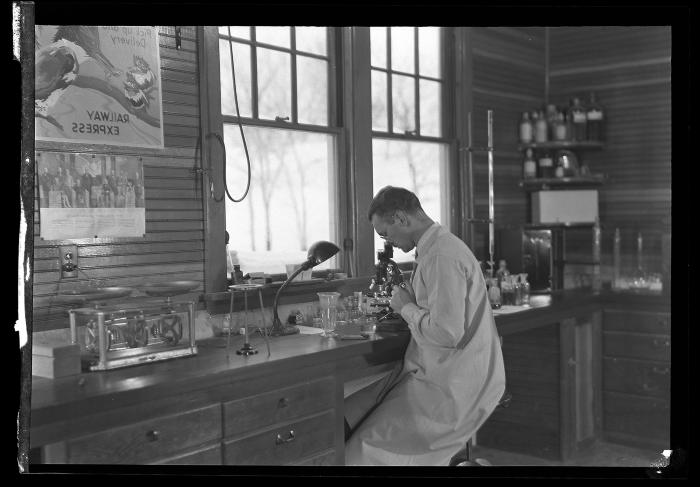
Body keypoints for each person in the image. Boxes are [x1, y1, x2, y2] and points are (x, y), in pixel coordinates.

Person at [344, 185, 506, 466]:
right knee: (348, 414)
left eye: (385, 233)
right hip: (444, 374)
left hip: (450, 385)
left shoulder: (441, 255)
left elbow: (447, 333)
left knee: (358, 454)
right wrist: (412, 304)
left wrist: (406, 307)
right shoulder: (437, 248)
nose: (388, 242)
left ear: (401, 218)